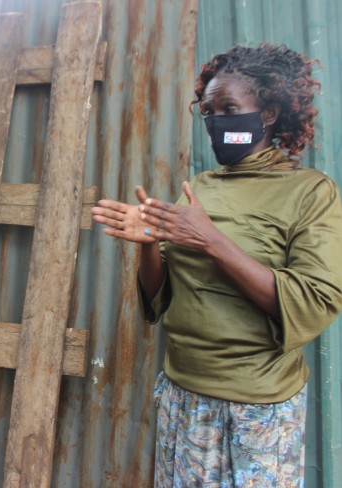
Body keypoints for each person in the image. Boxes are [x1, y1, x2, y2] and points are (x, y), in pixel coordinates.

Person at [91, 43, 342, 486]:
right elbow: (160, 295)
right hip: (184, 396)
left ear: (266, 114)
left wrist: (211, 241)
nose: (217, 122)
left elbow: (313, 301)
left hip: (259, 407)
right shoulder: (201, 187)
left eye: (229, 108)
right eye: (208, 111)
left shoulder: (310, 192)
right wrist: (151, 242)